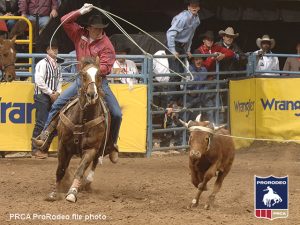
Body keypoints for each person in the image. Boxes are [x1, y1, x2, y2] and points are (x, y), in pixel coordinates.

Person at [32, 4, 121, 163]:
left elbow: (106, 67)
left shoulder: (106, 44)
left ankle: (112, 144)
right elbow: (64, 20)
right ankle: (45, 135)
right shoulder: (79, 34)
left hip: (98, 82)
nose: (97, 30)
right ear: (89, 27)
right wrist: (80, 11)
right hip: (81, 81)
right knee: (58, 104)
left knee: (116, 113)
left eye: (100, 28)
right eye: (94, 28)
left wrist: (91, 69)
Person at [166, 0, 201, 105]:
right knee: (175, 73)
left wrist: (188, 50)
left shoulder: (197, 20)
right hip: (173, 44)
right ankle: (171, 101)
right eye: (192, 6)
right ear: (189, 7)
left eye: (196, 6)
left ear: (199, 8)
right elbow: (170, 33)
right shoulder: (183, 17)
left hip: (181, 46)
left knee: (180, 74)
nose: (194, 8)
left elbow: (190, 35)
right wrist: (172, 50)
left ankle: (177, 99)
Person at [31, 42, 62, 159]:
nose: (55, 51)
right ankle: (35, 149)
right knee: (41, 122)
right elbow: (38, 81)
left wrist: (58, 92)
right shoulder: (42, 63)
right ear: (47, 50)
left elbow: (60, 80)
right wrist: (51, 93)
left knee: (51, 123)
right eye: (52, 49)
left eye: (56, 49)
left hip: (51, 95)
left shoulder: (57, 66)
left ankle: (43, 148)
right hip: (42, 96)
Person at [196, 30, 234, 124]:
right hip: (203, 82)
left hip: (213, 81)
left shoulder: (215, 47)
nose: (210, 41)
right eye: (208, 40)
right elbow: (203, 66)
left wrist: (223, 55)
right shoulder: (198, 51)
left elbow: (231, 53)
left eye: (212, 40)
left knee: (216, 105)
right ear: (204, 40)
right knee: (210, 106)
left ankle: (216, 126)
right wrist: (212, 58)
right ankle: (213, 126)